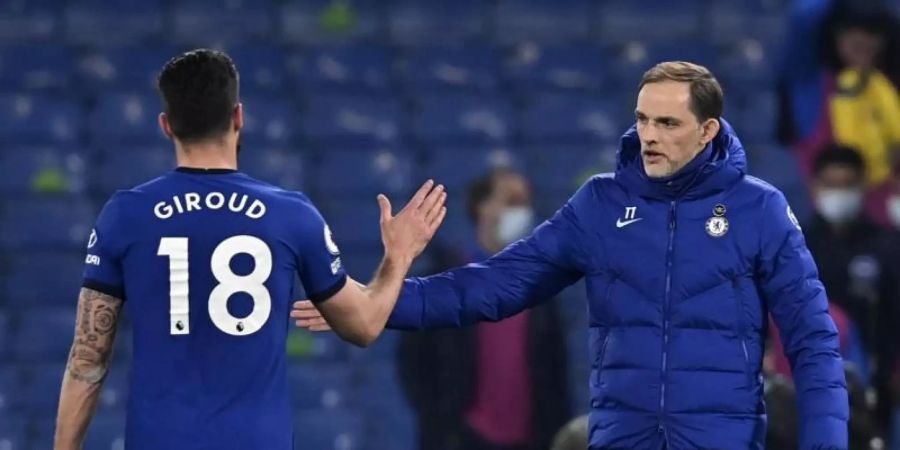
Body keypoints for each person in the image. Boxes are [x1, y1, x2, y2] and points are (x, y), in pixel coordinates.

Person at [295, 61, 850, 449]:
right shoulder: (599, 205)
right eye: (642, 119)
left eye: (667, 123)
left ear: (707, 131)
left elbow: (812, 340)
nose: (649, 135)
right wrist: (374, 301)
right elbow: (491, 286)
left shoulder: (760, 210)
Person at [53, 49, 447, 450]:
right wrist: (398, 256)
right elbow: (363, 326)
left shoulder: (126, 214)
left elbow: (88, 358)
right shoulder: (291, 214)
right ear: (238, 117)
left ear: (166, 125)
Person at [396, 167, 570, 450]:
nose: (522, 211)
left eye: (525, 203)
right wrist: (439, 420)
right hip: (461, 439)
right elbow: (414, 362)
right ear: (482, 207)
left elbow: (554, 371)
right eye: (512, 201)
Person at [802, 144, 900, 429]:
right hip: (812, 379)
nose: (839, 194)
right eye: (831, 185)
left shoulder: (887, 246)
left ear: (862, 186)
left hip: (876, 378)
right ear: (815, 187)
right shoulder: (798, 246)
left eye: (847, 185)